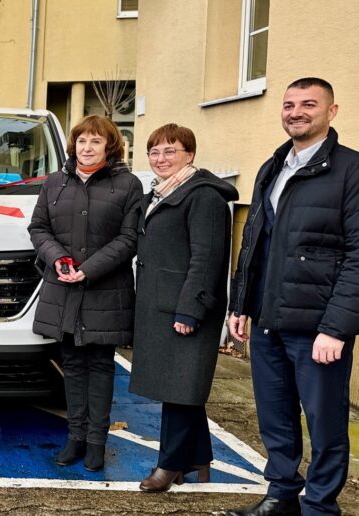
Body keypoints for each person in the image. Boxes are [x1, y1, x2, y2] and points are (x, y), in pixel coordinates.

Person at [225, 78, 359, 516]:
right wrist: (240, 304)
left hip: (318, 329)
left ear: (331, 112)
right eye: (288, 104)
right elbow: (254, 242)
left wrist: (336, 328)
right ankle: (282, 495)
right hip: (267, 319)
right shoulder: (273, 166)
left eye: (308, 104)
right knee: (275, 417)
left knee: (325, 423)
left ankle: (320, 507)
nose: (296, 112)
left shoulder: (351, 170)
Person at [27, 114, 142, 472]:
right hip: (63, 288)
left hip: (105, 290)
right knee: (73, 366)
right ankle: (75, 437)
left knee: (101, 366)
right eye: (81, 141)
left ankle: (96, 442)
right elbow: (38, 228)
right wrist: (58, 258)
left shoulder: (128, 185)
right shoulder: (54, 183)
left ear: (110, 146)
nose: (87, 147)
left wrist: (88, 269)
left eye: (96, 141)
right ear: (73, 145)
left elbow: (129, 238)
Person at [128, 124, 238, 492]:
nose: (161, 158)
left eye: (170, 151)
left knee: (179, 387)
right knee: (181, 386)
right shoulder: (161, 193)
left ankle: (169, 465)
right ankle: (198, 458)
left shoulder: (203, 197)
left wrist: (191, 310)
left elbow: (207, 259)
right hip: (163, 306)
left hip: (186, 308)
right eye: (154, 152)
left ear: (189, 154)